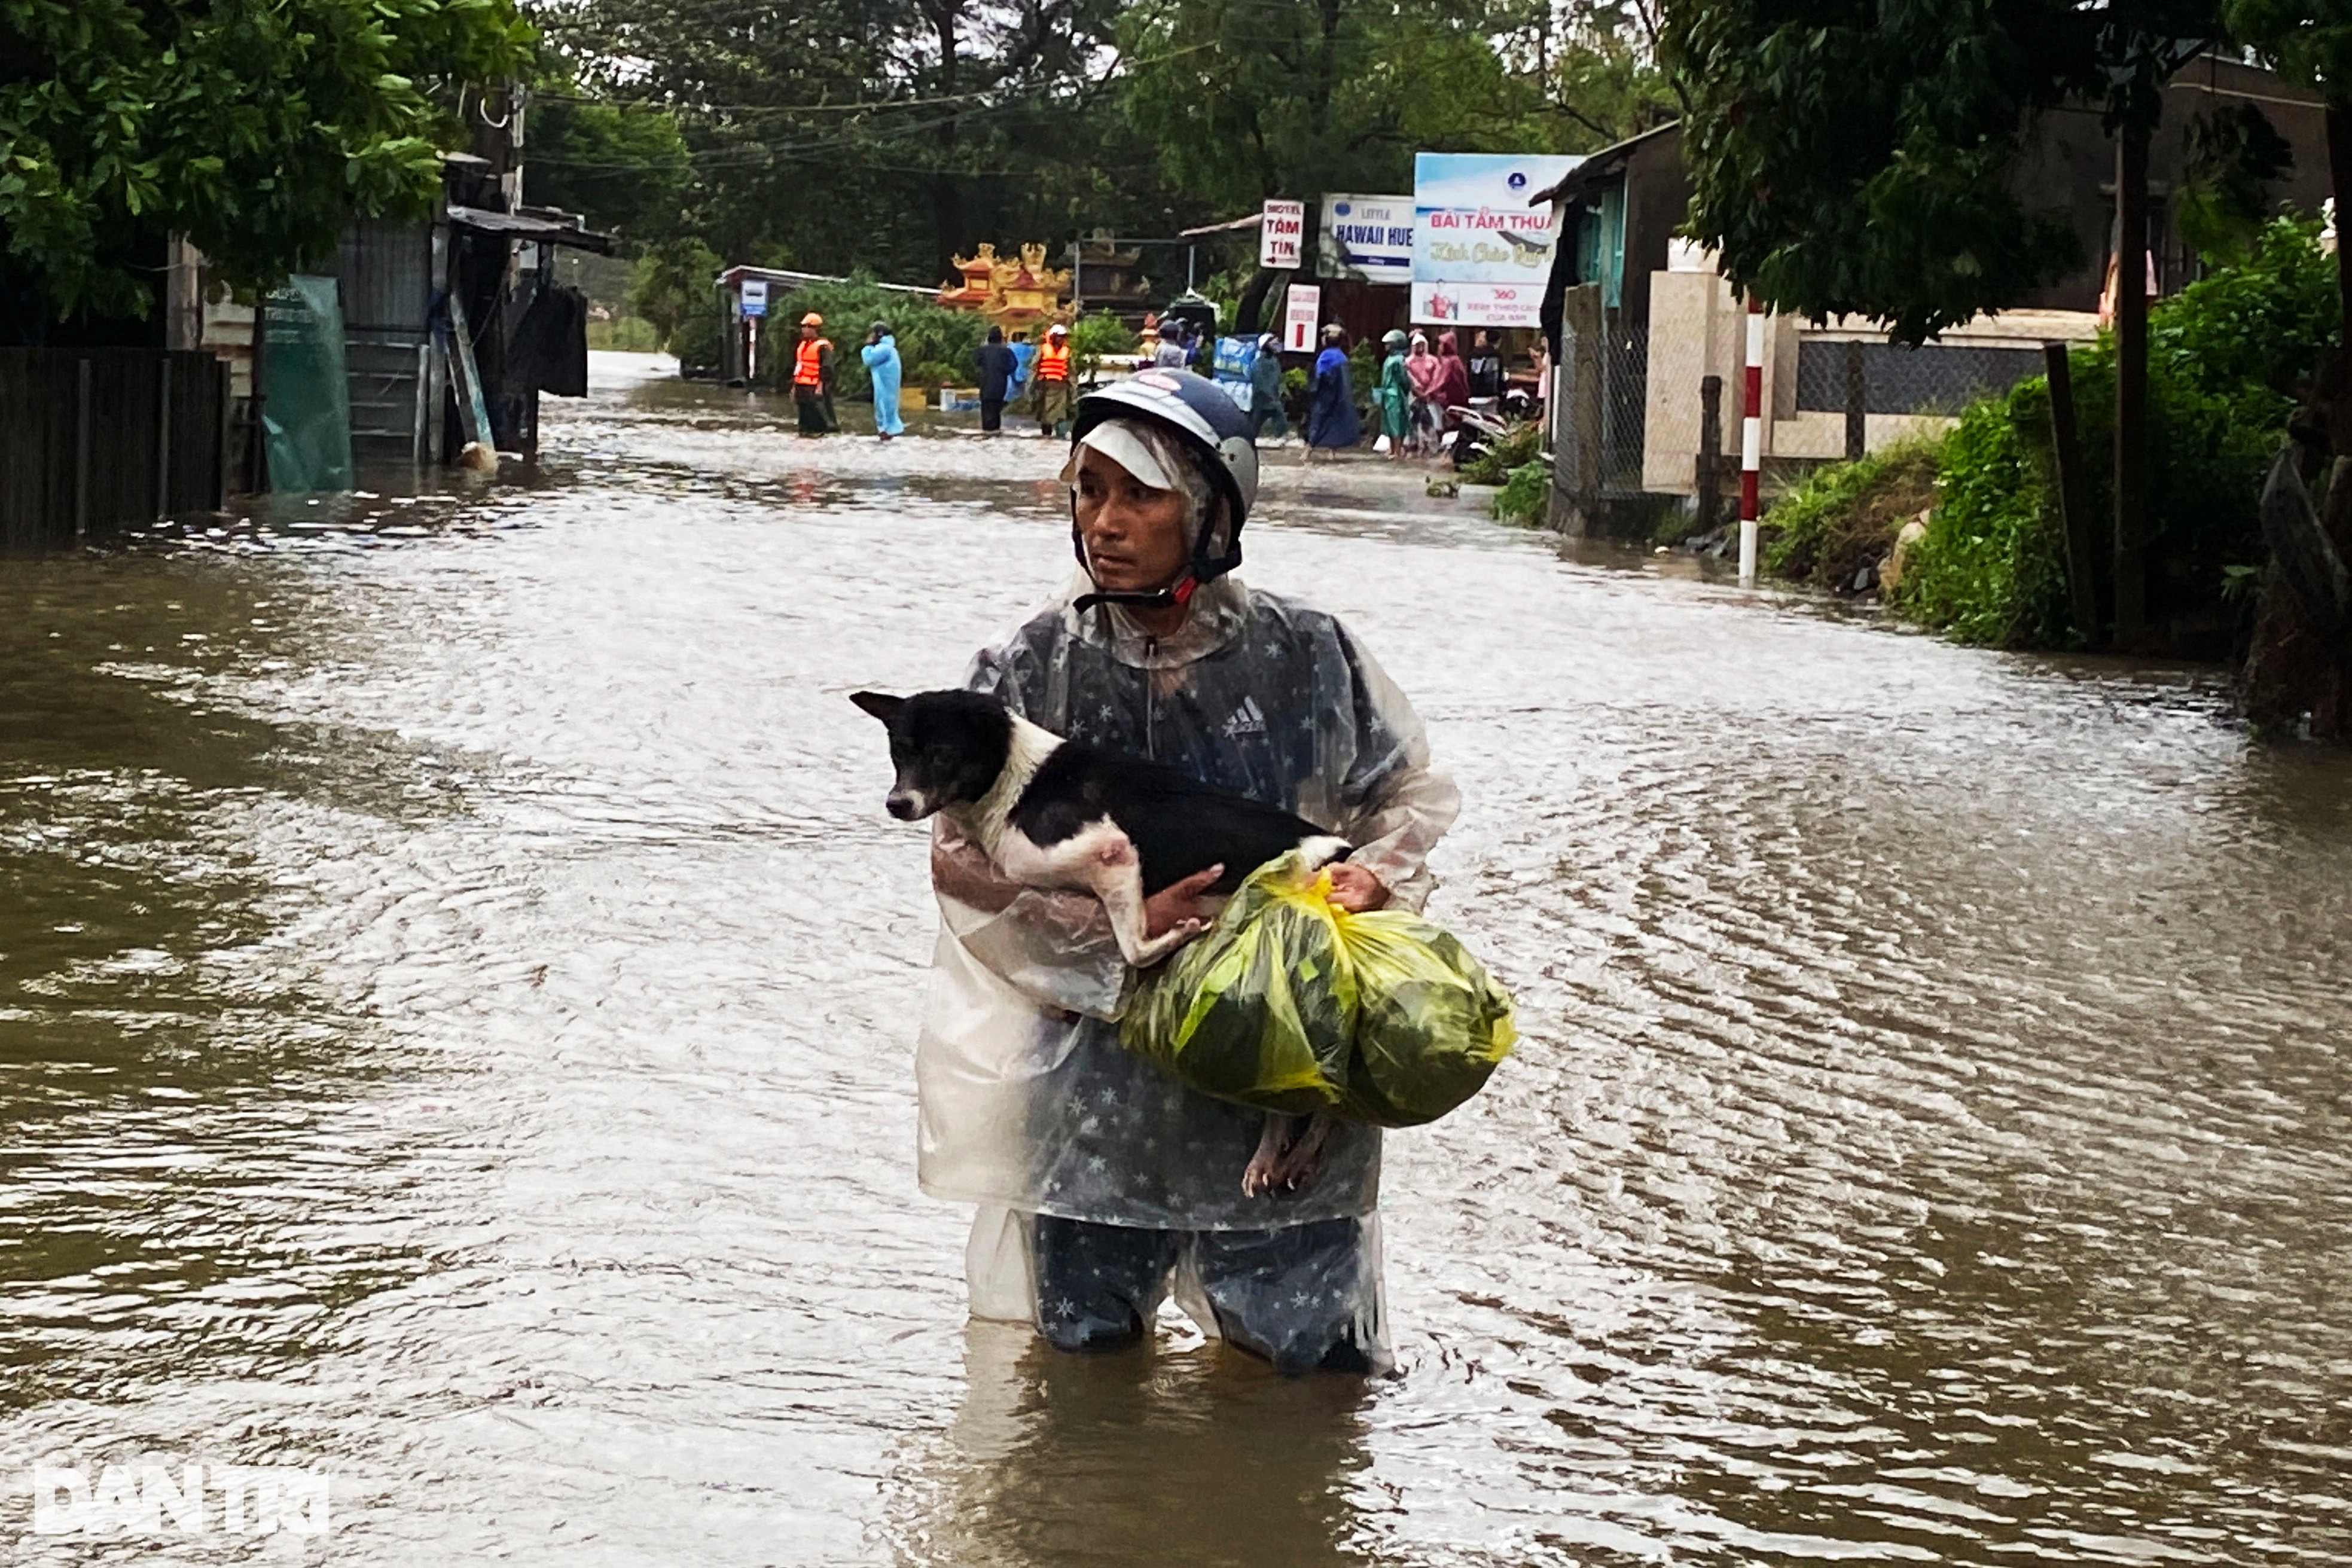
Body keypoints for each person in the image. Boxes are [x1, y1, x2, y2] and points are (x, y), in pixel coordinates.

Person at [918, 369, 1460, 1374]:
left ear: (1209, 512)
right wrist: (1101, 918)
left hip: (1279, 1068)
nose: (1104, 523)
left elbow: (1408, 795)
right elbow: (958, 859)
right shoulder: (1032, 667)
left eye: (1137, 495)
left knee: (1305, 1383)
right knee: (1080, 1386)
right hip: (1096, 1087)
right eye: (1087, 491)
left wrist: (1372, 879)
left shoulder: (1306, 654)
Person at [1304, 325, 1360, 457]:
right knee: (1336, 422)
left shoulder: (1325, 357)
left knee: (1318, 421)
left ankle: (1308, 451)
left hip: (1326, 396)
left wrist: (1313, 391)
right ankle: (1332, 452)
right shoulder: (1342, 357)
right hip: (1341, 396)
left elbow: (1320, 377)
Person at [792, 312, 837, 436]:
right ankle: (805, 434)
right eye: (804, 326)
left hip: (815, 387)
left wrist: (820, 386)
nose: (805, 329)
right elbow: (799, 366)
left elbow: (827, 368)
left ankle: (822, 434)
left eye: (808, 327)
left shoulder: (823, 347)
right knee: (804, 418)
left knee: (819, 416)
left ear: (816, 329)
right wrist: (795, 386)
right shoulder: (803, 345)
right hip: (802, 386)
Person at [862, 321, 905, 441]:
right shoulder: (888, 348)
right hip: (886, 385)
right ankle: (887, 432)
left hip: (885, 386)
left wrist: (868, 346)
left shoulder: (884, 348)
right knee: (887, 408)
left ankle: (886, 432)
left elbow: (869, 359)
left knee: (884, 408)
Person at [1030, 321, 1074, 438]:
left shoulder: (1066, 351)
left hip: (1061, 385)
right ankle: (1047, 434)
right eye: (1060, 337)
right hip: (1046, 385)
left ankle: (1060, 435)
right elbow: (1035, 365)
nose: (1062, 340)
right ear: (1054, 337)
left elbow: (1071, 370)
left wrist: (1073, 386)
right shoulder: (1044, 349)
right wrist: (1036, 380)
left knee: (1061, 412)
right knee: (1046, 412)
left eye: (1063, 337)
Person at [1429, 331, 1471, 448]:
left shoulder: (1449, 361)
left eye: (1442, 344)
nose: (1439, 347)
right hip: (1457, 400)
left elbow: (1441, 381)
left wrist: (1427, 393)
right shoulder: (1454, 360)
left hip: (1448, 400)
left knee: (1442, 426)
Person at [1375, 329, 1411, 460]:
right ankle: (1392, 448)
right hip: (1387, 393)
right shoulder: (1390, 359)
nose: (1386, 346)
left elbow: (1403, 379)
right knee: (1388, 423)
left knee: (1396, 422)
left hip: (1395, 394)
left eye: (1389, 343)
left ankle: (1397, 450)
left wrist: (1404, 391)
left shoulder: (1399, 360)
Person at [1402, 331, 1440, 456]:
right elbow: (1408, 378)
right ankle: (1412, 445)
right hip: (1414, 395)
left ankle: (1430, 447)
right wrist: (1416, 390)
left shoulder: (1433, 361)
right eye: (1417, 345)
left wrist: (1429, 392)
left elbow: (1436, 377)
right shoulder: (1408, 362)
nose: (1420, 348)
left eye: (1422, 345)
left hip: (1429, 396)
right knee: (1413, 420)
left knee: (1429, 421)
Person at [975, 325, 1017, 435]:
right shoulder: (1006, 351)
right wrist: (1004, 371)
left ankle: (987, 432)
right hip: (1000, 385)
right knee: (996, 411)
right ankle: (995, 432)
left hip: (985, 385)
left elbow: (976, 361)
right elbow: (1014, 365)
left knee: (986, 411)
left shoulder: (983, 351)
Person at [1247, 332, 1288, 443]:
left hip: (1273, 398)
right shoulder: (1258, 362)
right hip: (1262, 399)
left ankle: (1279, 437)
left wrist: (1282, 391)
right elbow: (1259, 382)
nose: (1277, 345)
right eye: (1274, 343)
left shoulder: (1274, 361)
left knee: (1280, 419)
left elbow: (1278, 378)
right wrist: (1271, 395)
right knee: (1255, 423)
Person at [1466, 329, 1503, 404]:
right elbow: (1499, 376)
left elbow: (1468, 373)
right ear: (1499, 341)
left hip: (1473, 394)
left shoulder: (1472, 354)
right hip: (1491, 395)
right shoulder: (1497, 356)